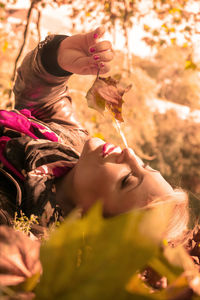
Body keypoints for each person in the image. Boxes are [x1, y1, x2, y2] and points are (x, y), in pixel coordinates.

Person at [0, 26, 189, 287]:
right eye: (144, 165)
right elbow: (41, 99)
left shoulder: (14, 226)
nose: (129, 153)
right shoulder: (71, 146)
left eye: (127, 180)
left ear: (90, 225)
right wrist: (57, 60)